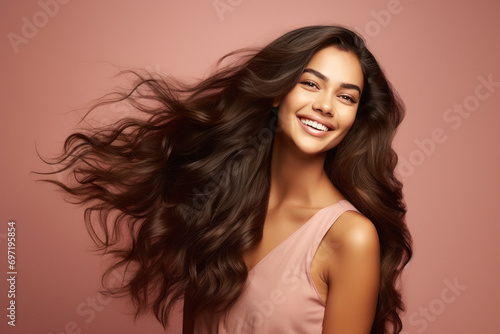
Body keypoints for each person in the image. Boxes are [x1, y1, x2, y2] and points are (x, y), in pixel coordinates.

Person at [43, 25, 412, 333]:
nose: (326, 106)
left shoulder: (350, 237)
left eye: (346, 97)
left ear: (355, 118)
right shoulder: (221, 204)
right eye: (311, 84)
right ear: (276, 93)